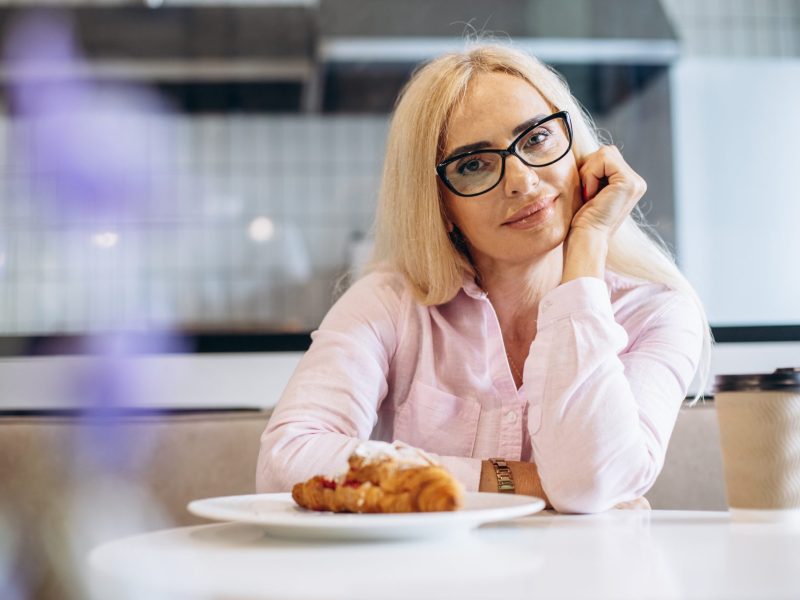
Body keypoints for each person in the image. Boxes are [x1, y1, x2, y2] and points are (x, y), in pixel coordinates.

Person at [256, 43, 711, 513]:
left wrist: (589, 245)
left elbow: (590, 483)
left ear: (574, 144)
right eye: (473, 164)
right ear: (441, 206)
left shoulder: (657, 311)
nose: (521, 181)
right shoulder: (389, 302)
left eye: (535, 139)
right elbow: (283, 461)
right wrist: (521, 481)